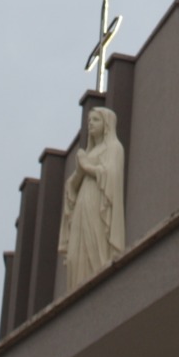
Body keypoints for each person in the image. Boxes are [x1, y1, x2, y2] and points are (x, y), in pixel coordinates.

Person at [58, 106, 126, 293]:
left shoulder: (114, 148)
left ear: (106, 124)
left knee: (95, 248)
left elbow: (111, 176)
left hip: (99, 202)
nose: (90, 124)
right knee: (74, 257)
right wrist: (82, 166)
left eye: (95, 120)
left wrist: (86, 165)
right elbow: (72, 185)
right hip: (82, 204)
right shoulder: (89, 153)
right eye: (89, 121)